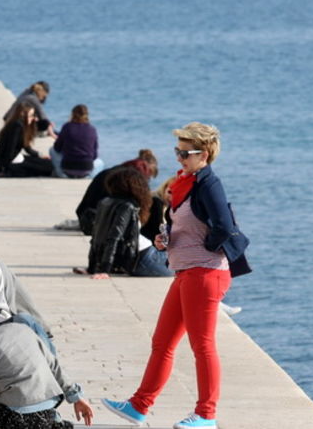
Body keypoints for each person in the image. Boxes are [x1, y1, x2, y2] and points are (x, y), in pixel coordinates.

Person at [102, 122, 251, 429]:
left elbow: (223, 226)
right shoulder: (186, 182)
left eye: (187, 153)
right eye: (178, 152)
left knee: (203, 346)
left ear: (205, 154)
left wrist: (203, 247)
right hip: (185, 272)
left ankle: (206, 415)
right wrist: (167, 239)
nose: (180, 158)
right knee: (162, 341)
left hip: (205, 273)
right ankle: (138, 406)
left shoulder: (209, 184)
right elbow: (189, 223)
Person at [75, 167, 172, 278]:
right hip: (145, 259)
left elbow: (97, 237)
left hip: (135, 260)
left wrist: (92, 267)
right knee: (186, 259)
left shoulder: (105, 202)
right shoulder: (128, 206)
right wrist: (104, 270)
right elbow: (113, 237)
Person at [76, 148, 159, 235]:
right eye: (150, 175)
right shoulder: (132, 177)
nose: (148, 180)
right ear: (148, 169)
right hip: (97, 221)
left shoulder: (118, 171)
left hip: (86, 216)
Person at [0, 102, 52, 177]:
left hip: (15, 158)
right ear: (23, 114)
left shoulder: (17, 124)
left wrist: (40, 155)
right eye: (31, 115)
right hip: (11, 161)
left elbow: (27, 148)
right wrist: (3, 168)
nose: (34, 118)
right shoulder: (17, 126)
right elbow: (10, 147)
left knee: (46, 163)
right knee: (48, 167)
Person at [49, 104, 104, 178]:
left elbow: (57, 148)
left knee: (51, 150)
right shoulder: (92, 129)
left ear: (72, 114)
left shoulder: (67, 126)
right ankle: (87, 176)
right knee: (100, 162)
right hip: (86, 169)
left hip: (68, 169)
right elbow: (94, 155)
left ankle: (62, 173)